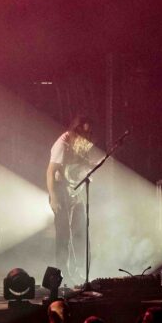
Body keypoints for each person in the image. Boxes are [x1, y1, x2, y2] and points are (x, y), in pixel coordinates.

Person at [46, 115, 94, 281]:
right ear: (76, 130)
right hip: (60, 192)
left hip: (76, 191)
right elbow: (50, 172)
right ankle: (63, 274)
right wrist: (53, 197)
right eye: (83, 132)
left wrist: (91, 166)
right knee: (63, 235)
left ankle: (80, 272)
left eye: (89, 132)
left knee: (80, 232)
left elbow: (82, 165)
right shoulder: (62, 143)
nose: (86, 136)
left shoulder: (82, 143)